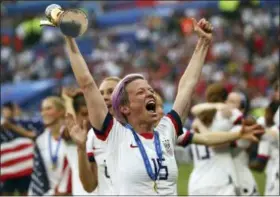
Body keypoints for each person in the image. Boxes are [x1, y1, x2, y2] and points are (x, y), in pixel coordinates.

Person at [63, 17, 263, 195]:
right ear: (124, 108)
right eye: (140, 92)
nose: (149, 92)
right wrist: (69, 38)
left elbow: (186, 87)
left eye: (149, 89)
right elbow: (88, 84)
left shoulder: (166, 132)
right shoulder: (114, 135)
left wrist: (203, 43)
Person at [64, 76, 120, 195]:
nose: (104, 97)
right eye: (101, 94)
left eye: (111, 91)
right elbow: (89, 186)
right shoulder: (92, 136)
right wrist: (81, 147)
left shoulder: (139, 129)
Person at [189, 84, 248, 195]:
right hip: (221, 180)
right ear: (225, 100)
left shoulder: (198, 119)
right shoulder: (225, 116)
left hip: (196, 183)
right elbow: (242, 121)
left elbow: (194, 109)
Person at [27, 96, 71, 196]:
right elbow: (38, 174)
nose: (43, 113)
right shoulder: (40, 140)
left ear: (61, 111)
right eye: (42, 109)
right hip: (49, 194)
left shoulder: (71, 135)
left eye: (48, 108)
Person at [1, 102, 43, 196]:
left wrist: (12, 127)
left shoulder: (24, 123)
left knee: (26, 192)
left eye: (8, 109)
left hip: (25, 168)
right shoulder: (1, 128)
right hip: (7, 169)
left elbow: (33, 135)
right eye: (4, 110)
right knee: (5, 193)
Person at [226, 91, 259, 195]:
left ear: (242, 108)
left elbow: (221, 144)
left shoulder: (242, 128)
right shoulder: (222, 124)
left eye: (233, 102)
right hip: (226, 181)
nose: (228, 104)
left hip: (243, 183)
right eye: (227, 101)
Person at [250, 101, 279, 196]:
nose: (265, 115)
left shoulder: (272, 131)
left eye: (267, 112)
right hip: (272, 174)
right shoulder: (266, 126)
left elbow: (260, 164)